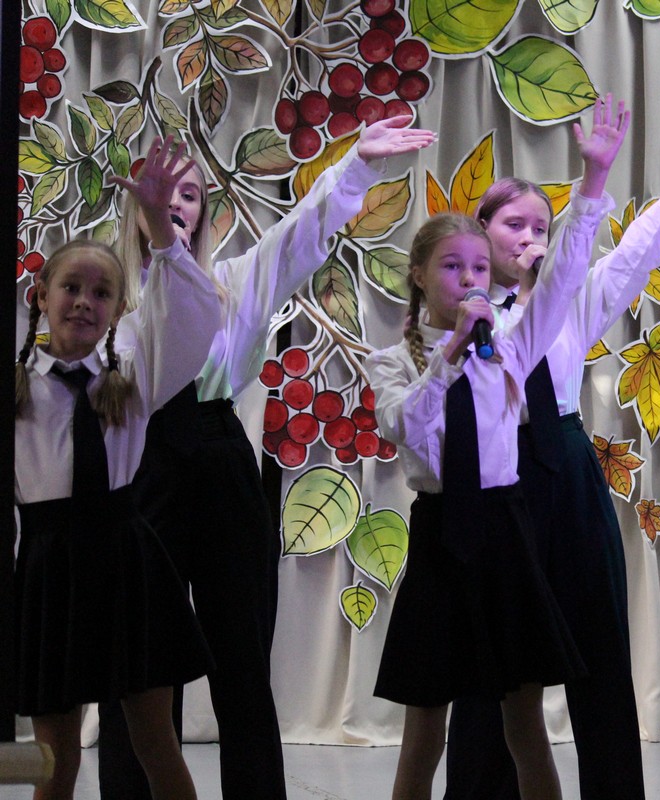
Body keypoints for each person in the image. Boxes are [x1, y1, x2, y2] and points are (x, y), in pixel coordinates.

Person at [97, 115, 437, 799]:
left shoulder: (234, 280)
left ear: (204, 212)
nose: (177, 204)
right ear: (137, 204)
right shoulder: (109, 294)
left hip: (219, 458)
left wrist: (358, 166)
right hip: (139, 461)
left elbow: (302, 234)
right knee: (136, 664)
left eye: (190, 194)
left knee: (242, 658)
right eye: (164, 192)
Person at [443, 128, 660, 800]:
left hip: (564, 469)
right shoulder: (460, 314)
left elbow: (634, 255)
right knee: (492, 661)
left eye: (541, 227)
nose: (529, 238)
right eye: (513, 224)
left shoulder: (570, 302)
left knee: (599, 652)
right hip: (494, 474)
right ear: (482, 231)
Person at [366, 95, 627, 800]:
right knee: (426, 725)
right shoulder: (393, 360)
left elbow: (565, 276)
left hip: (506, 531)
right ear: (420, 275)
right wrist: (448, 357)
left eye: (479, 270)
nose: (470, 281)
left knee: (524, 720)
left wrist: (594, 181)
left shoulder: (510, 344)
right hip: (442, 532)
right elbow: (406, 426)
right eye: (453, 267)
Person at [12, 137, 220, 800]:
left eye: (102, 293)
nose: (84, 301)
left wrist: (160, 226)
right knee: (54, 756)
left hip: (128, 565)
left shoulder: (132, 378)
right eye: (71, 287)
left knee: (155, 741)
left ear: (118, 310)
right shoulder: (17, 390)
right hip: (51, 570)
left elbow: (193, 316)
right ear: (41, 296)